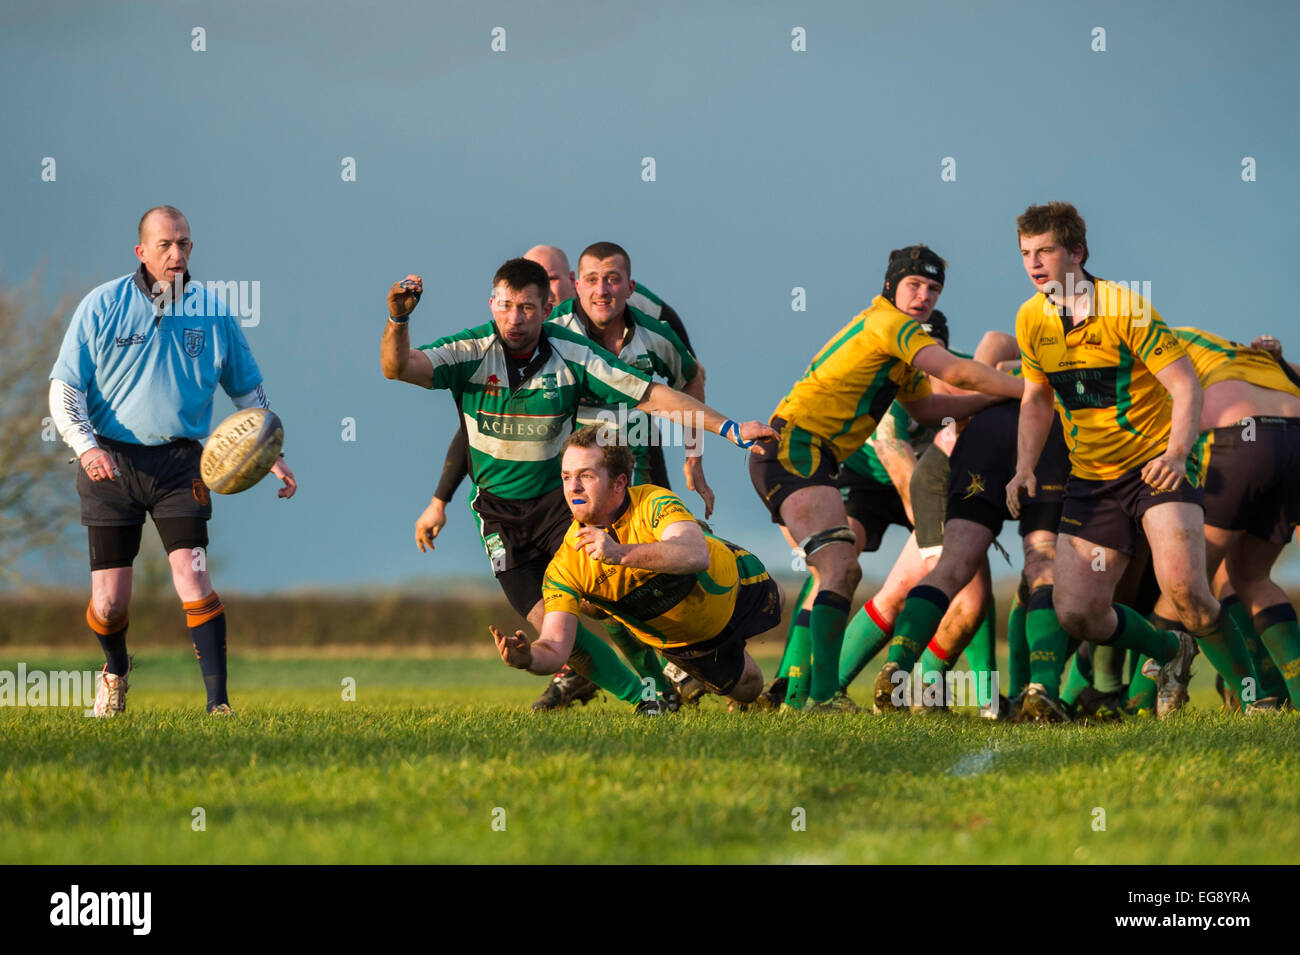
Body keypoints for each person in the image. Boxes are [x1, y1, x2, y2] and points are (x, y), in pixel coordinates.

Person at [380, 258, 773, 712]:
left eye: (526, 307)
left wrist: (730, 430)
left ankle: (661, 678)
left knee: (608, 596)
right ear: (492, 304)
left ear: (547, 307)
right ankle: (652, 697)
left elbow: (651, 395)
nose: (515, 318)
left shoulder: (572, 352)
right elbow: (398, 367)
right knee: (552, 624)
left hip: (559, 505)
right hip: (500, 517)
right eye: (505, 306)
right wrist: (398, 318)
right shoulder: (470, 350)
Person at [749, 245, 1023, 711]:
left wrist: (985, 402)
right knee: (837, 568)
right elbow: (956, 371)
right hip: (795, 448)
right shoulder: (887, 324)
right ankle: (809, 692)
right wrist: (1029, 389)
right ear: (891, 285)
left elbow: (929, 406)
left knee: (840, 570)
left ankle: (813, 694)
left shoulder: (902, 353)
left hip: (814, 456)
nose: (923, 296)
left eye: (933, 288)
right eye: (914, 285)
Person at [48, 205, 297, 717]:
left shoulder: (214, 310)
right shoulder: (102, 305)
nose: (177, 253)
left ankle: (218, 705)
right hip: (109, 464)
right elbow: (64, 388)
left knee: (193, 575)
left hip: (183, 465)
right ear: (142, 252)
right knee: (110, 603)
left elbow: (247, 389)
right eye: (165, 245)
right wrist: (86, 446)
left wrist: (271, 450)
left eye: (184, 243)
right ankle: (115, 672)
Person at [1006, 201, 1213, 719]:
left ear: (1077, 252)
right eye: (1026, 253)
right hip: (1092, 480)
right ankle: (1171, 651)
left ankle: (1266, 701)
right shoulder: (1031, 317)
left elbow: (1185, 385)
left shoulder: (1126, 307)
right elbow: (1036, 399)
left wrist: (1176, 453)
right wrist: (1025, 467)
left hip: (1152, 467)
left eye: (1046, 250)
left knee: (1187, 590)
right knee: (1078, 611)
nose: (1035, 263)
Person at [492, 427, 781, 706]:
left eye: (586, 476)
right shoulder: (565, 566)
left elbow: (696, 555)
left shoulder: (651, 500)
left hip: (738, 584)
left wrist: (619, 553)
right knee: (749, 689)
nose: (573, 487)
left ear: (619, 483)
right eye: (566, 477)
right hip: (688, 644)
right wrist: (528, 658)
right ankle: (679, 672)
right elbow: (555, 647)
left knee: (778, 598)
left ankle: (698, 528)